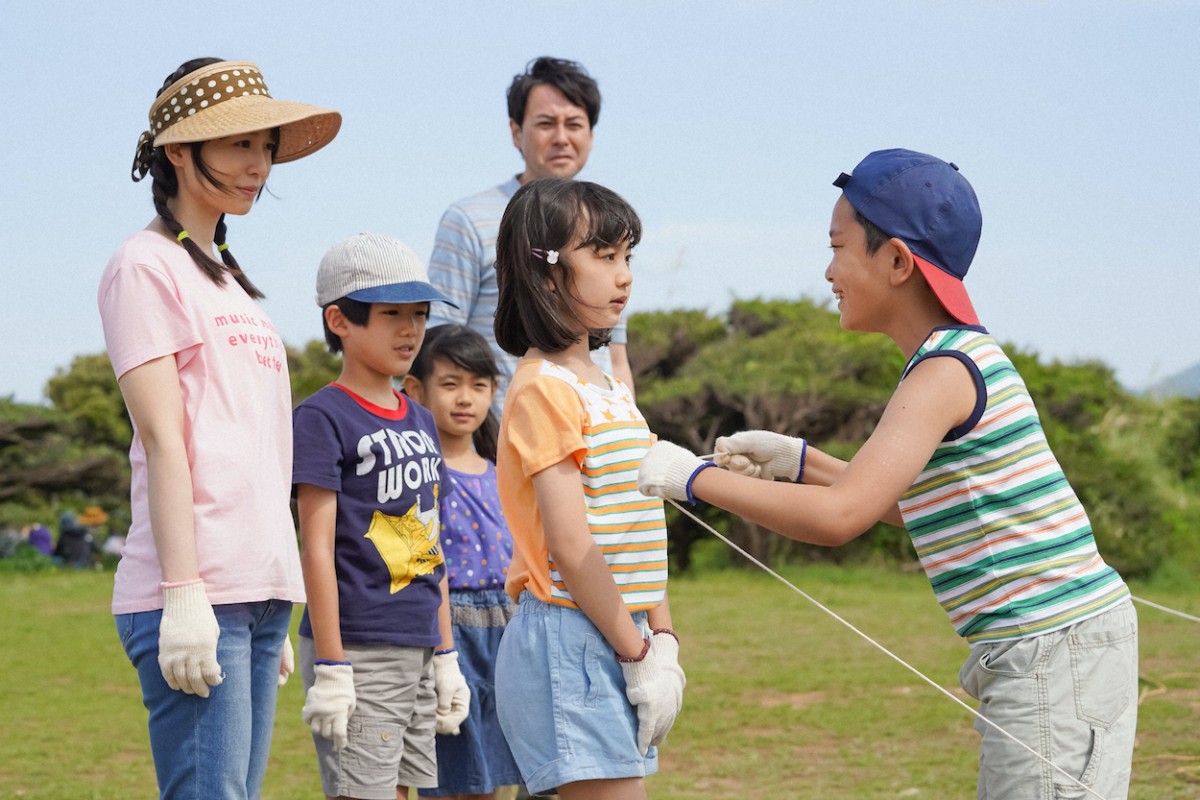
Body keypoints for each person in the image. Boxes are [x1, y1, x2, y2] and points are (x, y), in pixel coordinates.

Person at [637, 149, 1138, 800]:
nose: (827, 271)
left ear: (898, 261)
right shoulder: (951, 359)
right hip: (1051, 651)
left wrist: (688, 478)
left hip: (1052, 654)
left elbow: (842, 516)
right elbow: (910, 506)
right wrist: (800, 460)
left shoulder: (943, 372)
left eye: (839, 247)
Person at [98, 56, 340, 799]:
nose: (257, 165)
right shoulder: (143, 267)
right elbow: (166, 440)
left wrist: (274, 583)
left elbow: (256, 446)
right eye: (238, 144)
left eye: (265, 147)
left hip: (257, 592)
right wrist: (182, 594)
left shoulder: (228, 278)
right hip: (193, 590)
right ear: (177, 150)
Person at [491, 179, 685, 800]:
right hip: (569, 636)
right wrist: (638, 655)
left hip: (617, 631)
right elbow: (572, 549)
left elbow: (638, 521)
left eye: (626, 256)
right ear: (545, 272)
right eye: (603, 257)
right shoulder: (544, 387)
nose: (623, 275)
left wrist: (664, 638)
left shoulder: (607, 385)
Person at [293, 232, 472, 800]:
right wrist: (331, 664)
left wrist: (446, 654)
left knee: (405, 792)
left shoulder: (420, 419)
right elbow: (315, 547)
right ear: (340, 320)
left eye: (418, 314)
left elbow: (429, 540)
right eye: (391, 313)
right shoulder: (322, 417)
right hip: (359, 646)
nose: (410, 330)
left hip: (419, 639)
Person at [427, 56, 635, 415]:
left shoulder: (605, 228)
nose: (561, 137)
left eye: (574, 124)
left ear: (590, 134)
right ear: (515, 131)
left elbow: (615, 356)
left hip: (599, 439)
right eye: (545, 123)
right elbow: (440, 340)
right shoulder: (468, 219)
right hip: (511, 440)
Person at [404, 324, 523, 800]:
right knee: (453, 779)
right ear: (416, 389)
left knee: (496, 777)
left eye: (478, 385)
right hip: (448, 636)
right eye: (450, 384)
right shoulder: (417, 475)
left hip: (509, 637)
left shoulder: (504, 474)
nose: (465, 398)